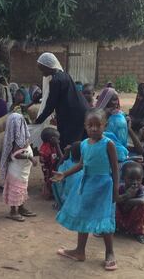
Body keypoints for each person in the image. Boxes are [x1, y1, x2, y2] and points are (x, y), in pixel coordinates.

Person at [53, 108, 119, 271]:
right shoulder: (83, 144)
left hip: (104, 185)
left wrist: (116, 188)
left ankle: (110, 253)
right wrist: (64, 174)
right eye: (90, 125)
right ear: (85, 126)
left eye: (98, 125)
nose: (94, 128)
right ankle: (79, 251)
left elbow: (115, 168)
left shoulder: (108, 144)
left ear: (105, 125)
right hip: (86, 184)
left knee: (103, 219)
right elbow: (81, 164)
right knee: (83, 214)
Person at [35, 52, 88, 149]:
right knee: (80, 140)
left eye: (42, 69)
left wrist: (38, 121)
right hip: (81, 111)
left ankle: (68, 162)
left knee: (68, 142)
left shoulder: (55, 81)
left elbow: (51, 105)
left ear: (49, 66)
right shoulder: (64, 75)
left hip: (73, 115)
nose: (42, 73)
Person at [1, 113, 37, 222]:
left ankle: (21, 208)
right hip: (16, 170)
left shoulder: (23, 134)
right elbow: (15, 154)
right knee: (15, 189)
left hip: (22, 170)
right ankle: (13, 212)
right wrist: (30, 157)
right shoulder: (15, 138)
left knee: (21, 188)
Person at [116, 162, 144, 244]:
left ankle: (137, 231)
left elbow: (143, 200)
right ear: (123, 177)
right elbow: (112, 199)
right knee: (110, 205)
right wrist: (126, 195)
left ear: (142, 178)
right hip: (119, 217)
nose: (135, 182)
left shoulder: (141, 189)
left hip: (133, 218)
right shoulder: (119, 188)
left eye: (138, 179)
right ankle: (114, 227)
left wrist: (127, 200)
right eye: (131, 179)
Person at [52, 141, 82, 208]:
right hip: (84, 200)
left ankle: (59, 203)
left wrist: (66, 154)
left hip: (68, 199)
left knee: (56, 182)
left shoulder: (67, 164)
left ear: (71, 153)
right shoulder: (89, 164)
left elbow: (58, 170)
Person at [39, 127, 63, 199]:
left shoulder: (53, 145)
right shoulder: (45, 148)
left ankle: (52, 192)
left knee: (53, 180)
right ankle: (49, 194)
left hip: (53, 166)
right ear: (52, 139)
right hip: (48, 168)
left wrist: (56, 145)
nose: (58, 141)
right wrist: (42, 159)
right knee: (49, 180)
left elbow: (61, 157)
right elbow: (41, 158)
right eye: (57, 139)